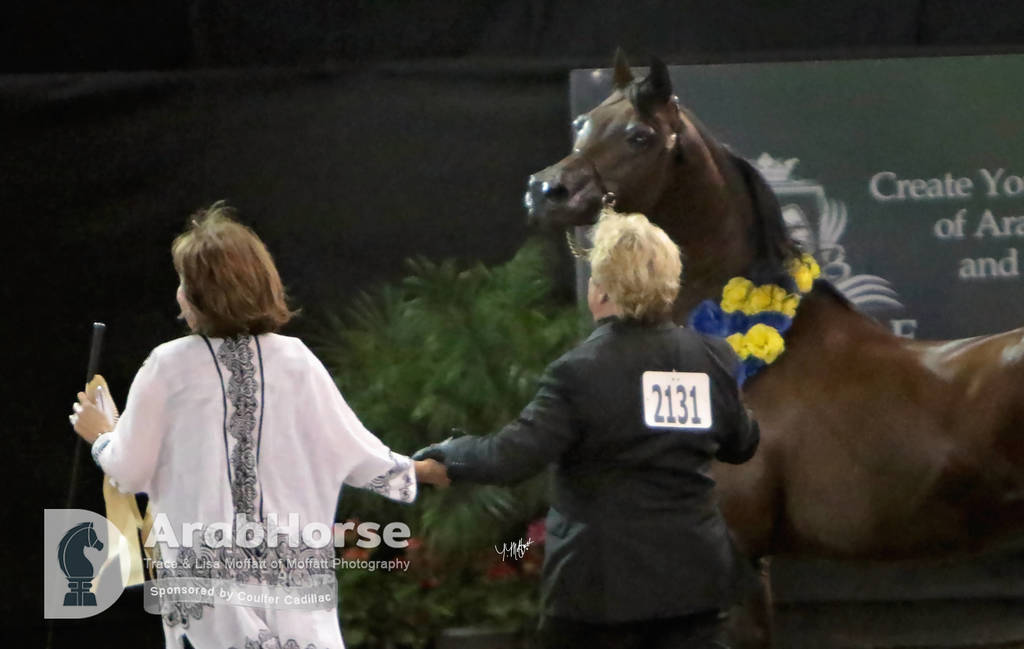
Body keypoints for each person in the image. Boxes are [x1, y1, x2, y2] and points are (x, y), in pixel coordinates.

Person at [69, 202, 450, 649]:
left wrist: (101, 434)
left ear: (201, 295)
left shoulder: (167, 367)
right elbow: (355, 451)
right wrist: (425, 470)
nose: (178, 293)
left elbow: (130, 470)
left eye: (184, 282)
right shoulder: (296, 361)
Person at [414, 209, 759, 649]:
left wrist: (450, 452)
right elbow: (742, 444)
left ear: (602, 290)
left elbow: (509, 457)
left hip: (601, 594)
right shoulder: (712, 358)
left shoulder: (578, 372)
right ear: (669, 284)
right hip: (697, 585)